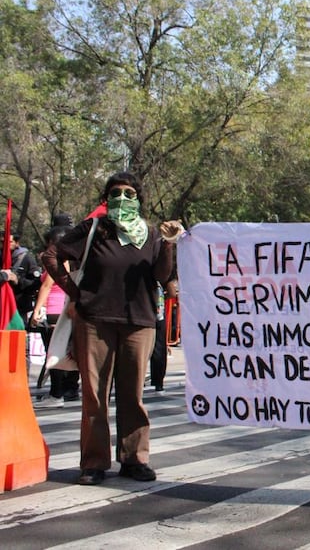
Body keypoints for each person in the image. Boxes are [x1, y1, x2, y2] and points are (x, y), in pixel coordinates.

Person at [42, 172, 183, 486]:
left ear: (138, 199)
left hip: (140, 322)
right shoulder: (92, 229)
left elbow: (162, 276)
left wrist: (170, 245)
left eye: (129, 193)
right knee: (95, 396)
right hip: (95, 321)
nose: (122, 197)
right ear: (106, 198)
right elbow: (52, 255)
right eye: (116, 192)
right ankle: (93, 463)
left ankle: (134, 459)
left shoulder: (152, 234)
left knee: (133, 395)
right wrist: (75, 294)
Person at [31, 223, 81, 407]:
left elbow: (46, 286)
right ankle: (71, 388)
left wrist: (37, 309)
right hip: (66, 308)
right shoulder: (74, 260)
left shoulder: (57, 260)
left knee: (54, 353)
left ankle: (56, 393)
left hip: (54, 310)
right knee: (68, 352)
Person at [0, 232, 43, 321]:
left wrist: (17, 280)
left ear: (16, 243)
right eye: (3, 242)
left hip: (19, 306)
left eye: (9, 242)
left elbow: (35, 283)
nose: (5, 245)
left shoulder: (27, 259)